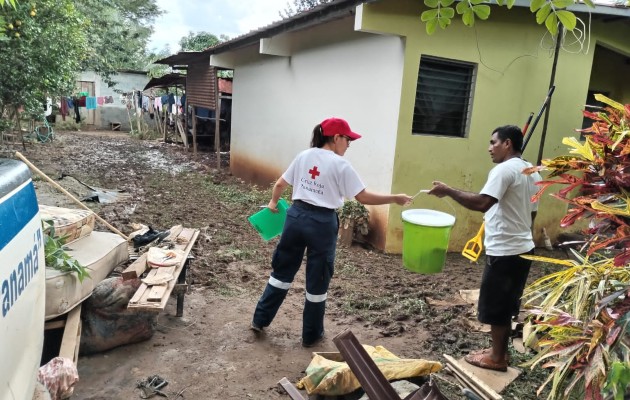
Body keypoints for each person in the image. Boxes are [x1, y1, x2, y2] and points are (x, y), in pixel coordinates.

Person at [251, 117, 412, 347]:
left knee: (281, 271)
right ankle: (311, 335)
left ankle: (260, 319)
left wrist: (273, 204)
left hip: (295, 218)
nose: (348, 145)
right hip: (322, 223)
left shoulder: (303, 156)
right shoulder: (341, 165)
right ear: (336, 138)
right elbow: (363, 197)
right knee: (318, 279)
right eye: (348, 140)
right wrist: (395, 198)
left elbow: (279, 185)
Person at [428, 124, 539, 372]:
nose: (489, 149)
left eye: (493, 143)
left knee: (496, 307)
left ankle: (497, 359)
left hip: (505, 250)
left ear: (508, 143)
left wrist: (447, 191)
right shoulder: (533, 172)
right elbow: (533, 213)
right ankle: (498, 352)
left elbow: (482, 203)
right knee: (508, 304)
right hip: (523, 247)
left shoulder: (503, 170)